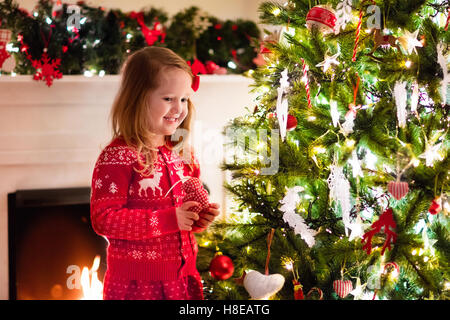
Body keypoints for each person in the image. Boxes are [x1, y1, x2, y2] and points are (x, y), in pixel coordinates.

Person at [90, 47, 220, 300]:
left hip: (182, 279)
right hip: (138, 286)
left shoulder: (184, 154)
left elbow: (183, 219)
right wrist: (170, 219)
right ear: (138, 98)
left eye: (184, 99)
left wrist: (197, 220)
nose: (178, 108)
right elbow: (104, 219)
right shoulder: (118, 156)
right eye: (169, 98)